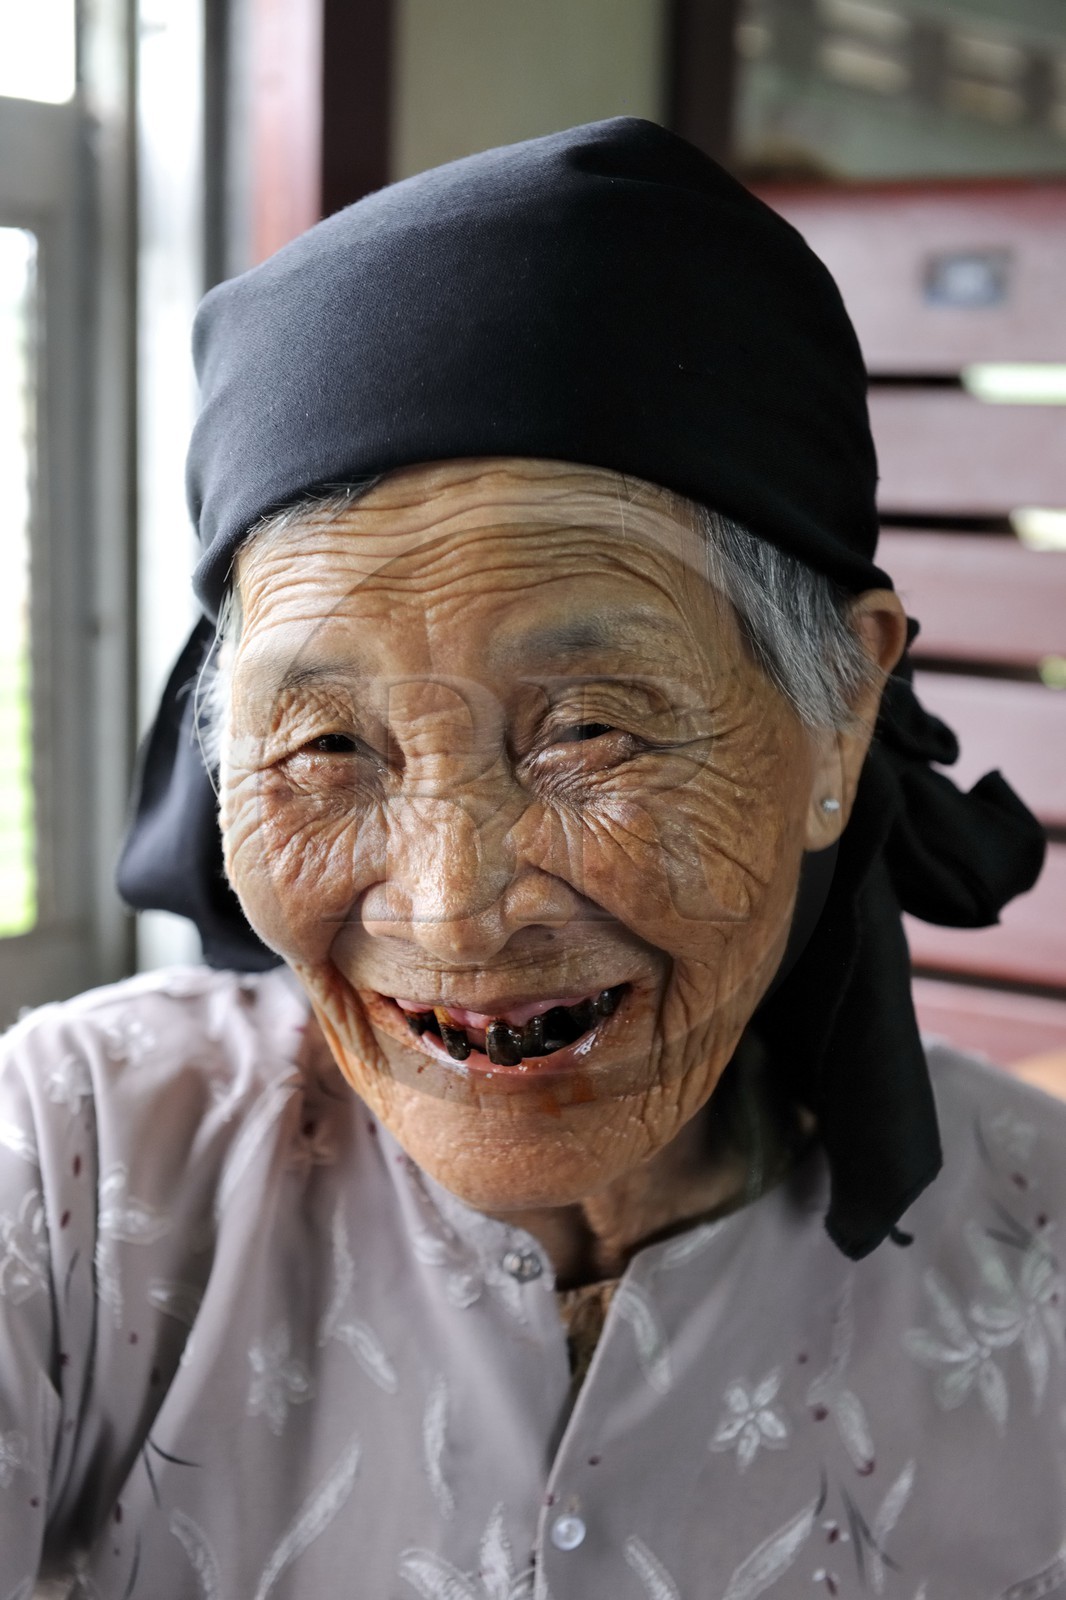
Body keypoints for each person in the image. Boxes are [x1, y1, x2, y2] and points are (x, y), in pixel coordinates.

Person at [1, 118, 1062, 1598]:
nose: (452, 909)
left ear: (840, 712)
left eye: (588, 732)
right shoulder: (75, 1165)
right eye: (327, 745)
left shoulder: (1035, 1251)